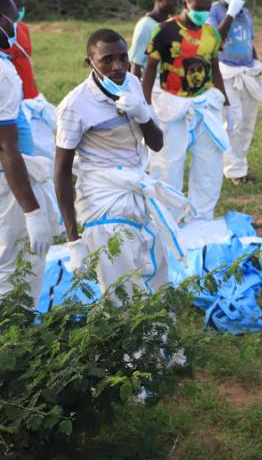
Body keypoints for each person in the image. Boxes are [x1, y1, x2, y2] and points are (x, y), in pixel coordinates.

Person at [54, 30, 186, 296]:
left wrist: (142, 113)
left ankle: (157, 337)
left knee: (155, 271)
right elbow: (61, 173)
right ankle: (128, 337)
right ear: (90, 61)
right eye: (107, 59)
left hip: (137, 192)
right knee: (122, 289)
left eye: (122, 58)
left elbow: (157, 144)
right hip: (104, 202)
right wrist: (73, 241)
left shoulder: (133, 84)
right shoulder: (76, 105)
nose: (117, 66)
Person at [142, 0, 229, 221]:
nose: (202, 12)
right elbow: (150, 69)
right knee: (168, 165)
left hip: (204, 106)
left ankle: (202, 217)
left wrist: (226, 105)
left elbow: (215, 69)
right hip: (171, 105)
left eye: (206, 8)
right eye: (197, 7)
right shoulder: (164, 31)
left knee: (209, 164)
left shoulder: (211, 33)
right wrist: (145, 106)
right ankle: (167, 218)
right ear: (185, 5)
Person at [0, 0, 56, 301]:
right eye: (11, 21)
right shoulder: (4, 74)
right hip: (9, 184)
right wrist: (32, 210)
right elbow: (7, 148)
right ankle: (15, 339)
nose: (15, 28)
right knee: (15, 264)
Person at [208, 0, 262, 185]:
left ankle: (240, 164)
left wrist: (258, 68)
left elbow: (249, 42)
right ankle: (234, 171)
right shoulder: (213, 11)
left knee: (248, 121)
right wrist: (229, 14)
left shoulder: (246, 13)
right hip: (225, 71)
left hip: (248, 70)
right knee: (234, 120)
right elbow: (215, 40)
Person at [1, 0, 56, 162]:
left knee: (46, 154)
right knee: (26, 156)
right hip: (15, 105)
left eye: (22, 6)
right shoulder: (4, 36)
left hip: (33, 98)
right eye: (17, 6)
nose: (20, 11)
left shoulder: (22, 29)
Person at [131, 0, 181, 80]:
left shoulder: (173, 23)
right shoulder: (145, 26)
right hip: (154, 87)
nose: (176, 2)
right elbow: (136, 65)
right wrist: (137, 94)